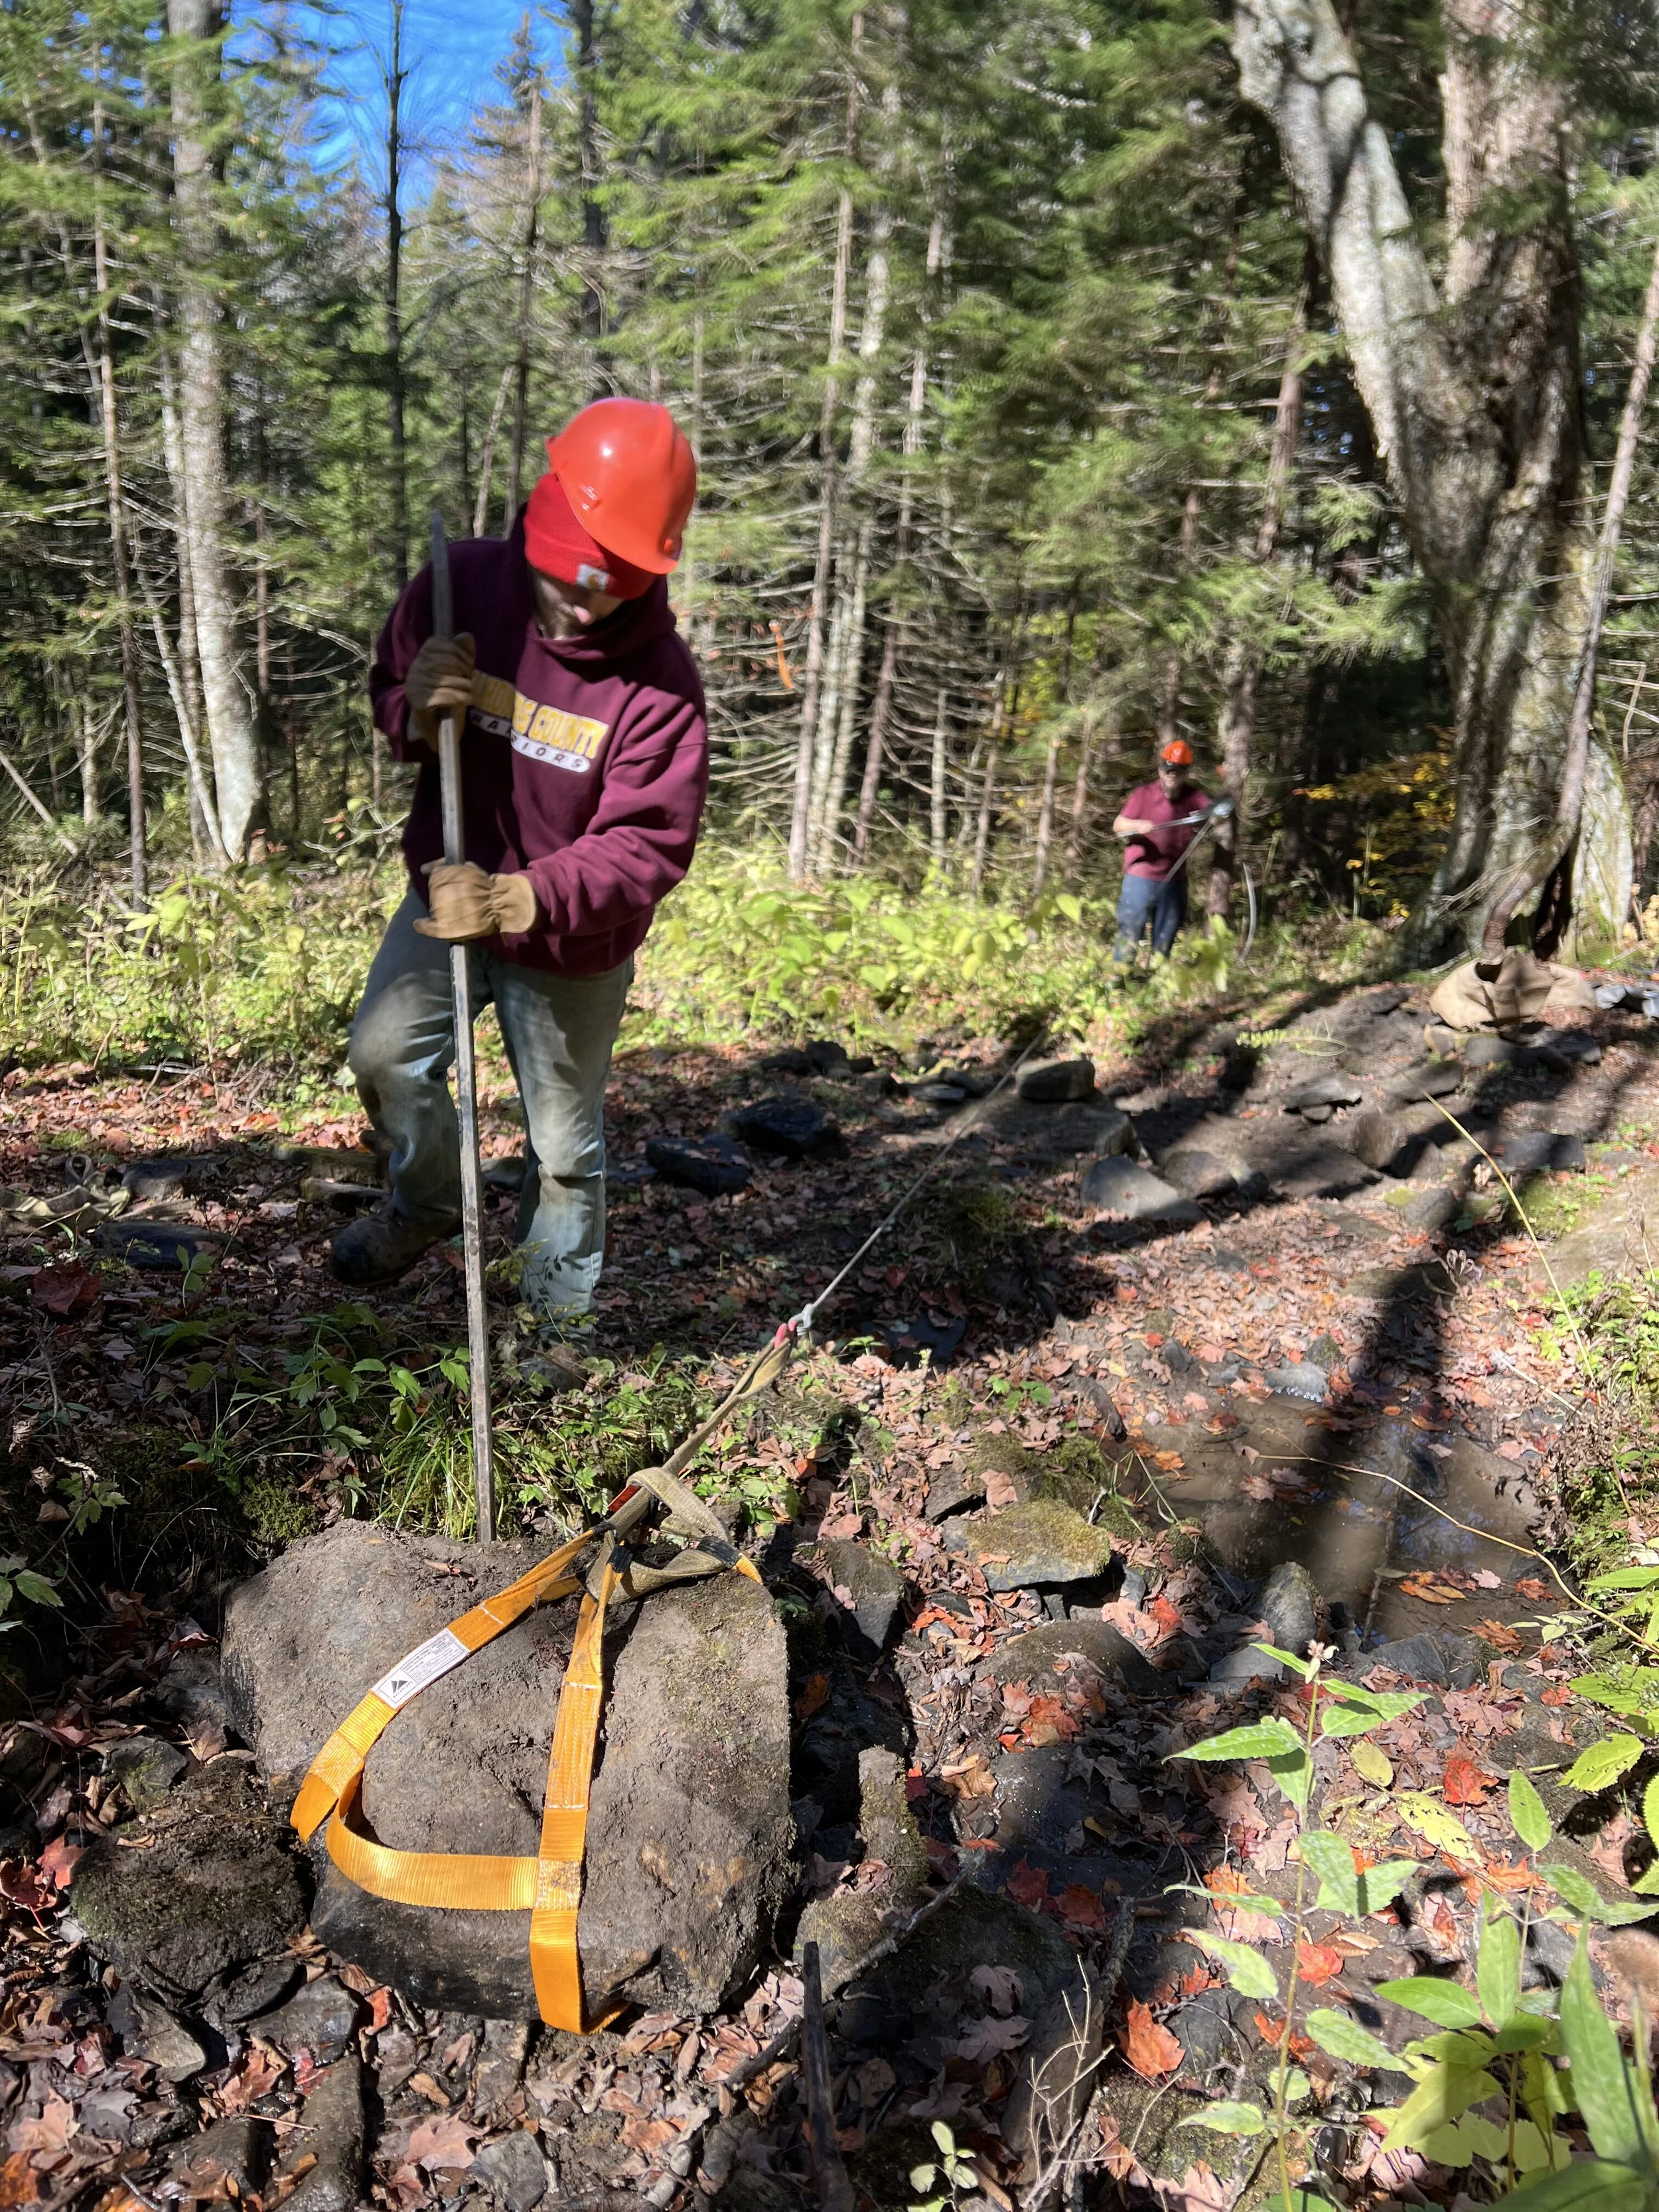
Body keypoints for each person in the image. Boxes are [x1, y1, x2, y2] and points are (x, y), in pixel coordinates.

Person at [330, 396, 706, 1318]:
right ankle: (426, 1207)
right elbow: (389, 697)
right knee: (383, 1059)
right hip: (447, 889)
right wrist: (415, 708)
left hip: (574, 943)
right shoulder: (460, 586)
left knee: (567, 1150)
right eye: (567, 580)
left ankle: (550, 1317)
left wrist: (519, 900)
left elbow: (650, 845)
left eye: (605, 586)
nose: (581, 605)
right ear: (539, 525)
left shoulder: (661, 686)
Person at [1112, 739, 1212, 959]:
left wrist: (1218, 816)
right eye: (1169, 772)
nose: (1172, 776)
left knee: (1165, 938)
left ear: (1186, 773)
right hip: (1140, 877)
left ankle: (1156, 984)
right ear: (1160, 771)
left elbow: (1214, 814)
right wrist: (1138, 826)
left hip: (1175, 879)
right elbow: (1118, 825)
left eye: (1178, 772)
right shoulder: (1143, 794)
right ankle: (1118, 981)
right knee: (1129, 930)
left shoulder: (1194, 797)